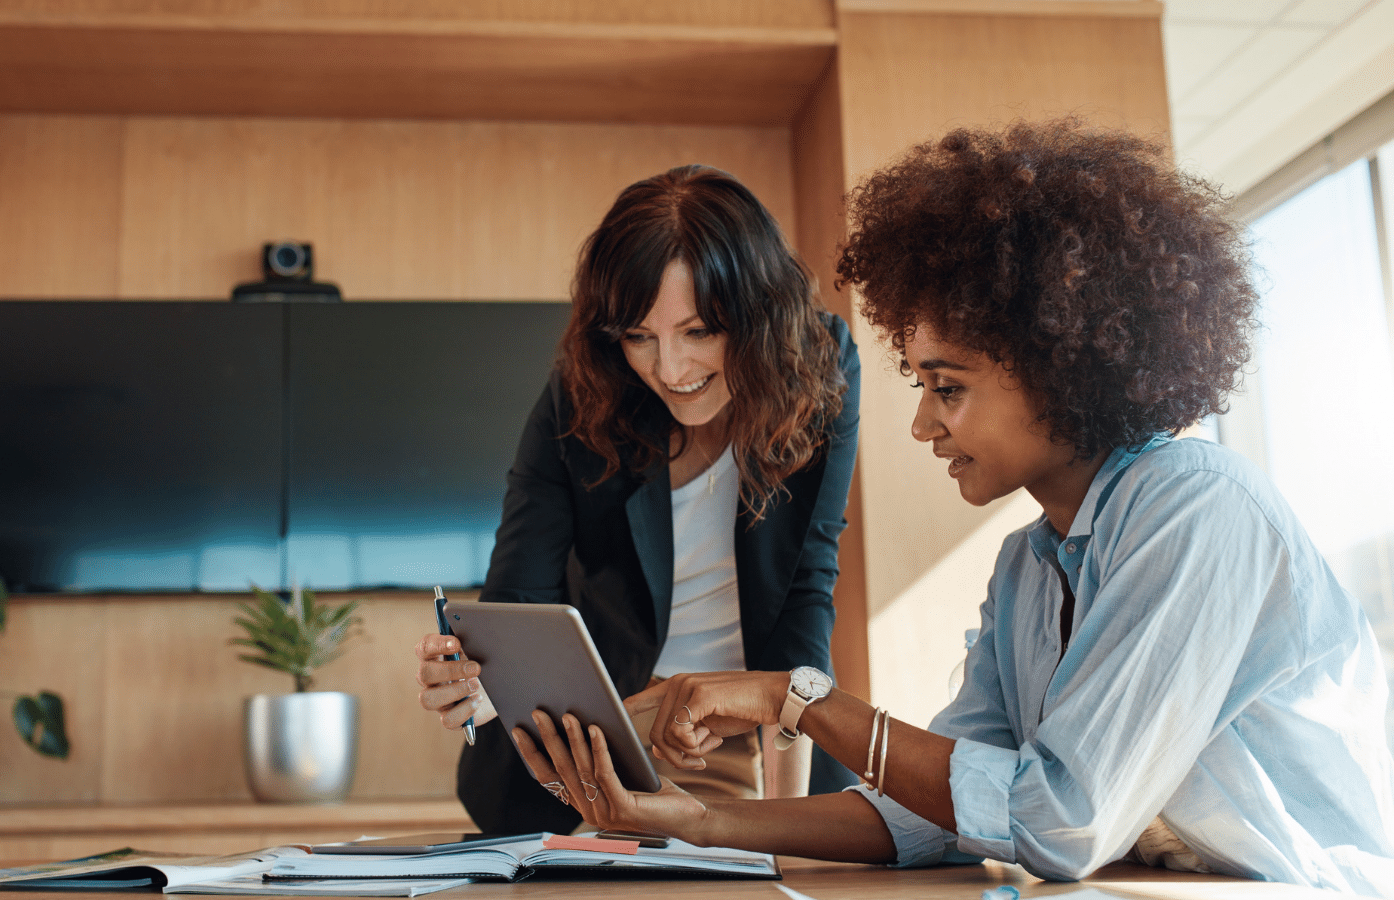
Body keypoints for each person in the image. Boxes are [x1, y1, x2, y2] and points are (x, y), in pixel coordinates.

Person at [512, 120, 1394, 896]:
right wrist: (694, 823)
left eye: (949, 388)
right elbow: (932, 816)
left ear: (1059, 366)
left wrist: (799, 697)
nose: (923, 421)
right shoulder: (1027, 569)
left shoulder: (1197, 510)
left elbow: (1060, 820)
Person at [413, 164, 861, 834]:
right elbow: (519, 599)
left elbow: (806, 589)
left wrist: (788, 824)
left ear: (760, 315)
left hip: (759, 740)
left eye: (700, 331)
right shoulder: (582, 390)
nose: (670, 371)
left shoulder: (819, 368)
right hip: (597, 747)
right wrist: (477, 682)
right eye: (639, 337)